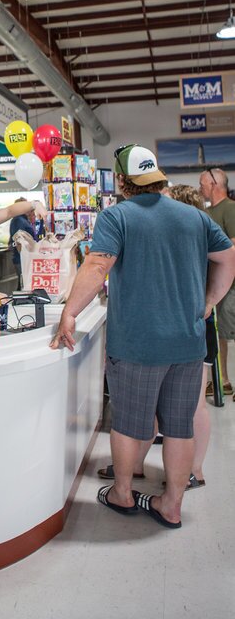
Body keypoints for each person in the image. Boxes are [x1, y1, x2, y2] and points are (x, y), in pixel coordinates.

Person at [50, 144, 235, 529]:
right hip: (187, 341)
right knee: (179, 426)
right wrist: (208, 302)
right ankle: (171, 505)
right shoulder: (194, 216)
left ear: (121, 180)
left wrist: (69, 312)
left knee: (130, 423)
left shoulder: (117, 216)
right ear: (157, 175)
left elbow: (98, 264)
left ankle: (122, 492)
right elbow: (227, 257)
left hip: (137, 343)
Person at [95, 183, 218, 489]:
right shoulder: (195, 231)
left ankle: (190, 471)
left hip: (182, 329)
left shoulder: (185, 231)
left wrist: (209, 301)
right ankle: (154, 473)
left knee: (185, 410)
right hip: (191, 329)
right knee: (175, 417)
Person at [199, 167, 235, 397]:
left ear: (214, 184)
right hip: (217, 284)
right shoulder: (209, 212)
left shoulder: (230, 209)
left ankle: (225, 380)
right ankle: (223, 380)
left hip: (230, 285)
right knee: (221, 333)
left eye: (202, 183)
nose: (200, 187)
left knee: (229, 334)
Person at [8, 199, 45, 287]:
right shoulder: (18, 220)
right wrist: (25, 256)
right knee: (25, 284)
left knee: (25, 283)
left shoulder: (22, 220)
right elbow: (20, 240)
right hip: (22, 259)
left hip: (25, 257)